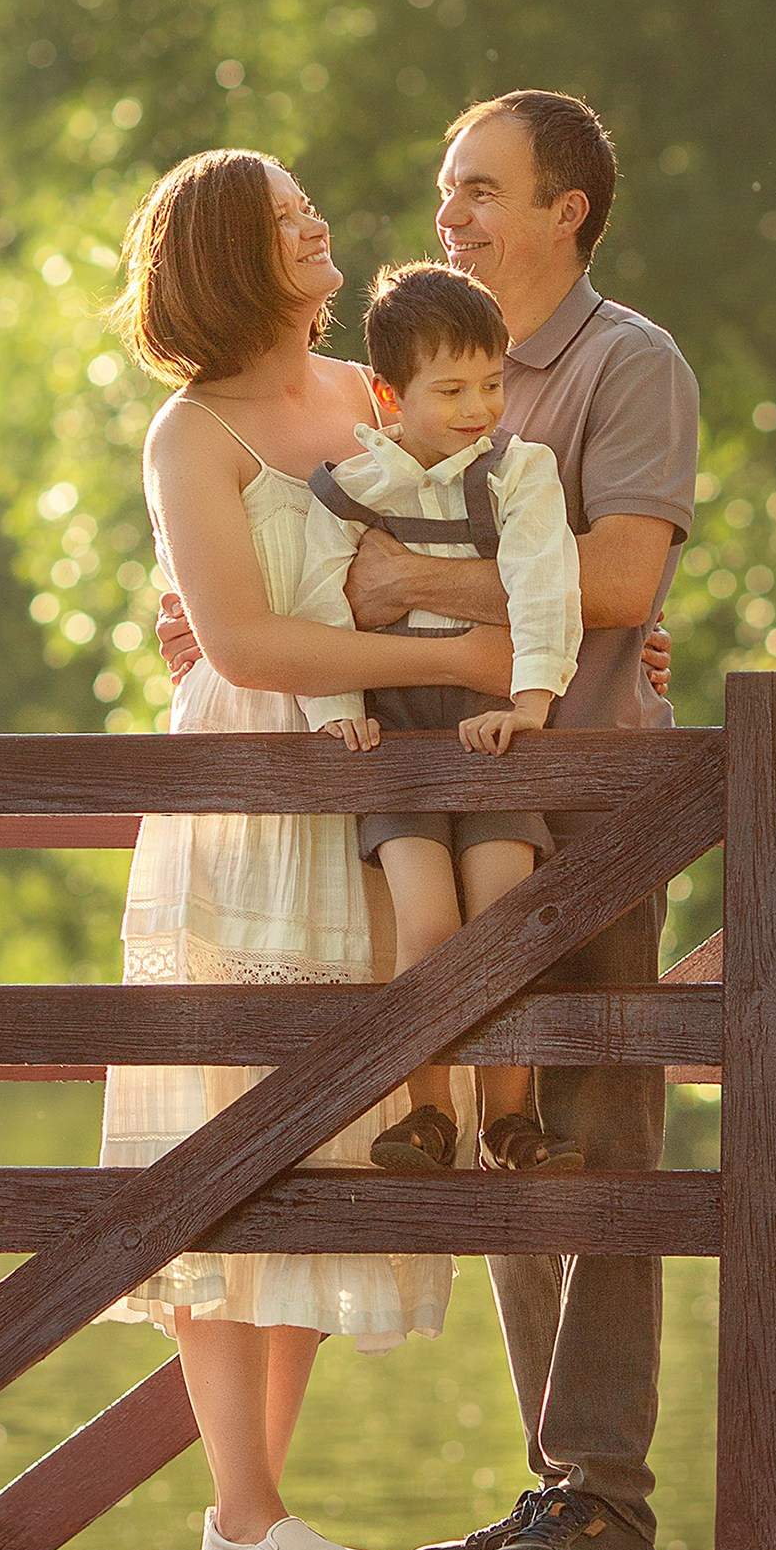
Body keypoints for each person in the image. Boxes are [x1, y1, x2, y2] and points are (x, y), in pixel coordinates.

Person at [155, 92, 699, 1550]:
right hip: (405, 796)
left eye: (479, 189)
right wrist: (221, 623)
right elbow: (296, 545)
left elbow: (615, 576)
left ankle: (608, 1500)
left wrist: (422, 601)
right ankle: (552, 1492)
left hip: (579, 799)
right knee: (500, 1143)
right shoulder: (413, 366)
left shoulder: (624, 364)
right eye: (446, 185)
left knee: (603, 1147)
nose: (443, 212)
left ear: (563, 210)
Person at [99, 147, 518, 1550]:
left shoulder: (364, 394)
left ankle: (253, 1520)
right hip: (250, 782)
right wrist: (457, 652)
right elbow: (244, 644)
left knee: (331, 1136)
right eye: (286, 220)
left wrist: (573, 637)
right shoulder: (191, 433)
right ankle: (242, 1514)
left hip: (370, 772)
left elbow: (474, 531)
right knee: (230, 1145)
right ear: (229, 256)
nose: (319, 224)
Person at [296, 259, 583, 1181]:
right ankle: (427, 1112)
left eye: (492, 384)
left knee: (503, 913)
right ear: (389, 393)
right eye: (451, 389)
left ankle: (508, 1117)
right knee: (426, 927)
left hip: (494, 720)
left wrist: (531, 700)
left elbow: (546, 580)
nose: (478, 407)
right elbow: (317, 600)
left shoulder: (519, 472)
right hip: (396, 731)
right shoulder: (352, 484)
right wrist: (338, 709)